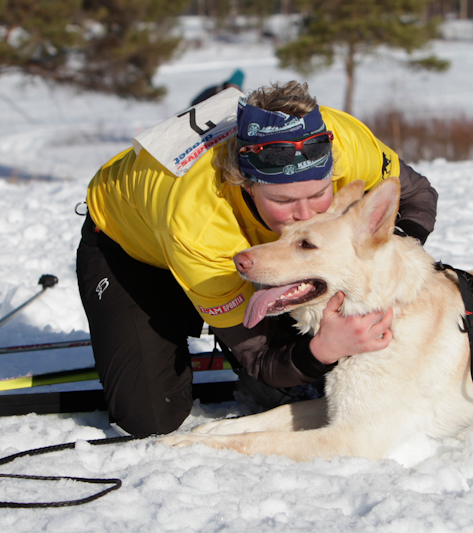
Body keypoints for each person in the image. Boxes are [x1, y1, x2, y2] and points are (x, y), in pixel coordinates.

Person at [76, 81, 438, 436]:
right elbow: (262, 357)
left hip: (260, 252)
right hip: (130, 250)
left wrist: (380, 256)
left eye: (318, 193)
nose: (306, 214)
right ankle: (194, 312)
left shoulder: (343, 141)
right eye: (283, 201)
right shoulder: (200, 221)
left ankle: (222, 307)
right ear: (245, 185)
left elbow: (417, 195)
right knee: (150, 418)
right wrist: (319, 351)